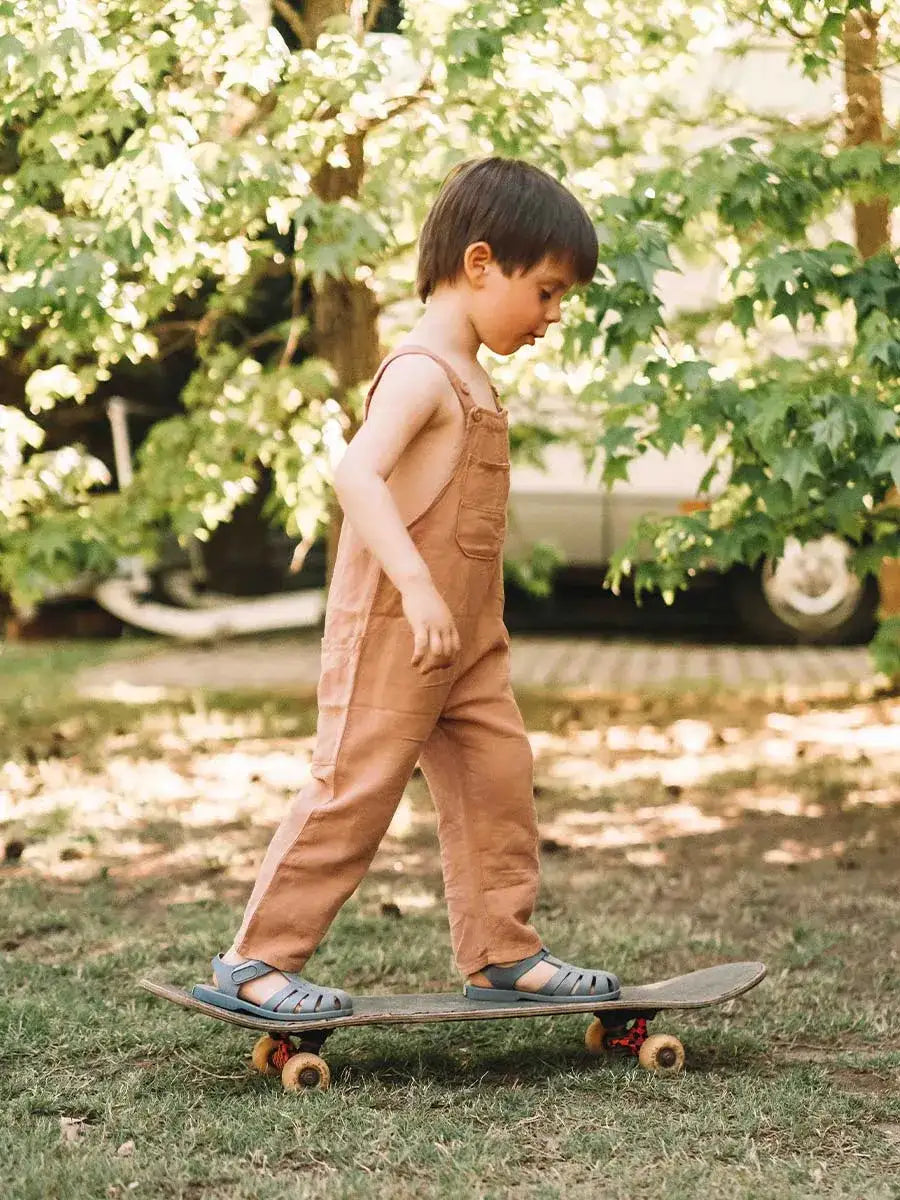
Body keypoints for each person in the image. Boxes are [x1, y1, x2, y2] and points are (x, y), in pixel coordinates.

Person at [193, 157, 622, 1022]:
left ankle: (503, 949)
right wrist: (422, 590)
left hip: (466, 643)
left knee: (497, 780)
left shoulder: (472, 377)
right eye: (544, 292)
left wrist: (459, 615)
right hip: (398, 627)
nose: (553, 314)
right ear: (478, 264)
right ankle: (257, 960)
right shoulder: (422, 371)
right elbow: (357, 477)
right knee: (353, 791)